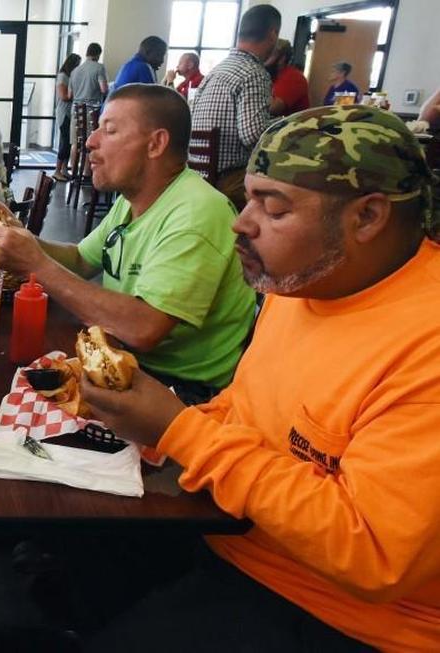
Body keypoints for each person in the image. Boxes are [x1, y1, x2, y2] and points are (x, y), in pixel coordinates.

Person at [80, 104, 440, 652]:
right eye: (248, 197)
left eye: (272, 209)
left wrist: (180, 430)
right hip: (233, 537)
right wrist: (158, 422)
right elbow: (248, 405)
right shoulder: (301, 281)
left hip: (341, 616)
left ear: (367, 218)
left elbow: (373, 554)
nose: (239, 224)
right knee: (62, 556)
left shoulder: (425, 343)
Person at [0, 84, 256, 403]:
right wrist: (22, 237)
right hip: (122, 359)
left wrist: (35, 264)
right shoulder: (135, 200)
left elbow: (144, 327)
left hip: (183, 392)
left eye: (109, 131)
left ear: (156, 144)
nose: (90, 142)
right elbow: (82, 259)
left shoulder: (197, 212)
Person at [190, 4, 280, 210]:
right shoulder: (254, 73)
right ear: (273, 34)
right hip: (228, 182)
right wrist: (284, 123)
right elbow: (253, 135)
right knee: (290, 192)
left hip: (198, 178)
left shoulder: (216, 71)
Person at [67, 43, 109, 171]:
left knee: (75, 142)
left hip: (76, 110)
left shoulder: (75, 71)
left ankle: (73, 170)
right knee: (90, 142)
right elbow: (104, 89)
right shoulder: (99, 68)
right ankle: (86, 172)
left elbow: (70, 94)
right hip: (91, 110)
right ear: (98, 54)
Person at [53, 53, 81, 182]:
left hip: (70, 112)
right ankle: (57, 170)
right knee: (64, 142)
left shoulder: (70, 76)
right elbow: (64, 96)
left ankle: (64, 168)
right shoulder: (63, 76)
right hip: (64, 112)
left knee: (69, 142)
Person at [265, 38, 310, 116]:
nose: (264, 59)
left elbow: (273, 108)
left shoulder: (294, 77)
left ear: (282, 58)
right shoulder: (272, 75)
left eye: (269, 55)